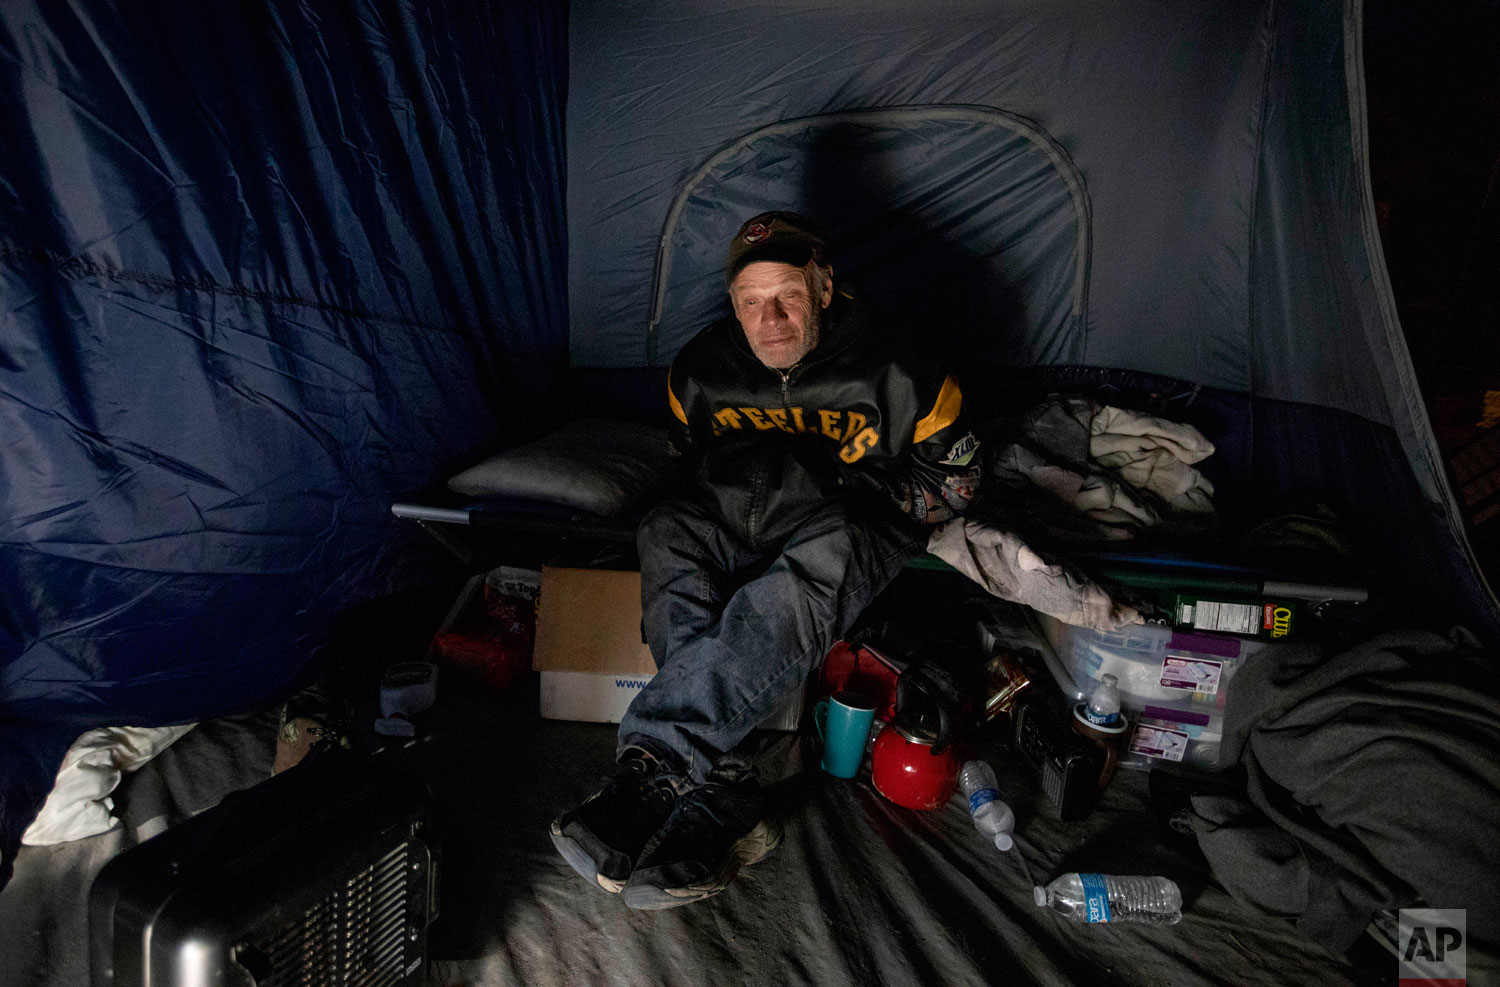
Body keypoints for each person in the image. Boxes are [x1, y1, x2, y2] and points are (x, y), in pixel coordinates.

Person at [550, 211, 981, 909]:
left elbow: (956, 485)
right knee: (666, 531)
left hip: (847, 518)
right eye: (750, 302)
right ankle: (723, 796)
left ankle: (659, 760)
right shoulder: (700, 369)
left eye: (787, 294)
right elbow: (687, 461)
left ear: (824, 285)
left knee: (820, 562)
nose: (770, 319)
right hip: (735, 514)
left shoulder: (903, 369)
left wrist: (862, 492)